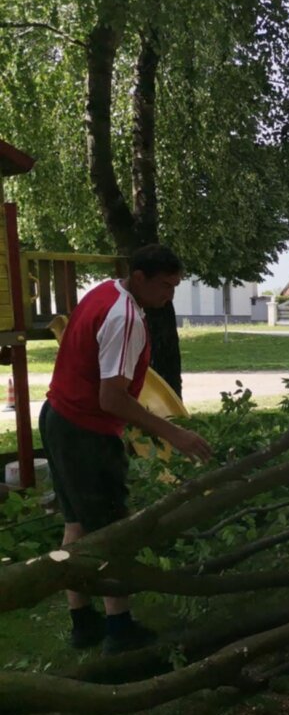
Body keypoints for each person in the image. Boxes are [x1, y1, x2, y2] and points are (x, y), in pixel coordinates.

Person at [40, 244, 213, 653]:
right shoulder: (126, 316)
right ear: (140, 278)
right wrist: (174, 434)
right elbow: (111, 399)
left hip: (58, 417)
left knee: (78, 525)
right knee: (113, 532)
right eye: (166, 286)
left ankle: (83, 622)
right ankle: (118, 627)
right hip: (84, 432)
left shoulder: (105, 291)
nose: (169, 296)